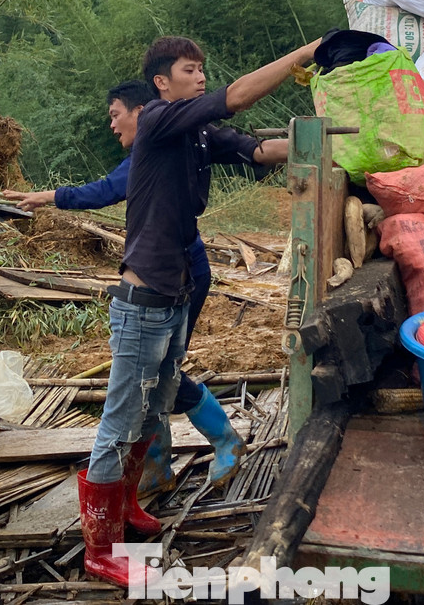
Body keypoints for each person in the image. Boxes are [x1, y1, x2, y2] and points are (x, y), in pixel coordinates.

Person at [78, 36, 308, 589]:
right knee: (118, 421)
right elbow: (235, 99)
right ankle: (99, 547)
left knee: (155, 410)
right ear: (162, 82)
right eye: (189, 69)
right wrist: (304, 55)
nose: (200, 76)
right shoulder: (158, 120)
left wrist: (318, 144)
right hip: (142, 303)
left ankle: (129, 506)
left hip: (176, 296)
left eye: (203, 68)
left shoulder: (199, 133)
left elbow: (257, 150)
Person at [3, 80, 244, 495]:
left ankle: (222, 440)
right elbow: (111, 186)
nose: (112, 125)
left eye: (115, 115)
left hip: (178, 272)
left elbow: (107, 191)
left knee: (159, 374)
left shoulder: (158, 141)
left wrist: (47, 196)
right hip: (170, 269)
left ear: (141, 111)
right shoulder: (152, 145)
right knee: (155, 376)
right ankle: (157, 464)